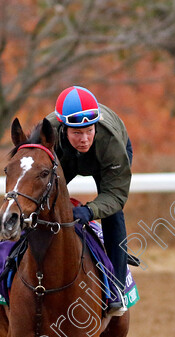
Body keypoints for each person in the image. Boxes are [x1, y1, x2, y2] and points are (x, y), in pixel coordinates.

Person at [46, 85, 133, 316]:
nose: (84, 139)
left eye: (89, 131)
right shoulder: (48, 134)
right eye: (77, 133)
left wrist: (90, 210)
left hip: (104, 157)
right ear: (63, 128)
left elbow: (115, 195)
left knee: (113, 214)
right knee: (42, 204)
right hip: (66, 157)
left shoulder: (109, 141)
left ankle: (116, 286)